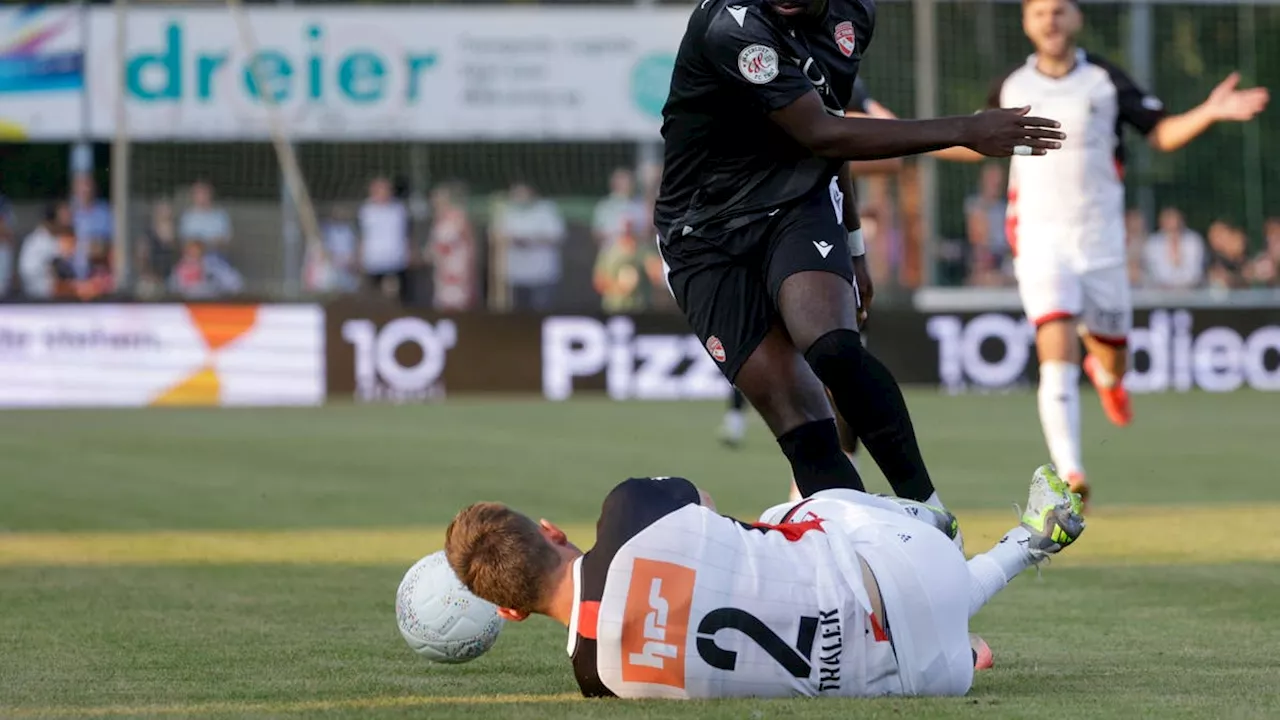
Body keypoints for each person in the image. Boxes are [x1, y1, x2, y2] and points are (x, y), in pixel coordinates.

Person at [668, 0, 1064, 512]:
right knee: (802, 420)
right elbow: (822, 131)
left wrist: (854, 245)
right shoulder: (733, 26)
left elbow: (832, 134)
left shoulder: (854, 15)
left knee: (833, 348)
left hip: (795, 205)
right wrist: (967, 128)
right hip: (703, 235)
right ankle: (862, 547)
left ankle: (933, 515)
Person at [931, 0, 1268, 509]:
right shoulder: (1011, 87)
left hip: (1101, 243)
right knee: (1056, 340)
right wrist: (918, 138)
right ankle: (1072, 471)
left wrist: (1210, 110)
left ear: (1077, 18)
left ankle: (1108, 376)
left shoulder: (1105, 80)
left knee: (1113, 355)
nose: (1050, 20)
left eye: (1059, 10)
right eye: (1040, 11)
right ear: (1026, 21)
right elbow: (977, 140)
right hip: (1040, 239)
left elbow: (1161, 134)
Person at [445, 465, 1085, 699]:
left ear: (511, 614)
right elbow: (702, 497)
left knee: (811, 588)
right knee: (785, 517)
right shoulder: (626, 511)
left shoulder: (598, 680)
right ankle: (938, 521)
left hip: (921, 677)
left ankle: (1021, 549)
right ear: (552, 532)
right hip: (913, 561)